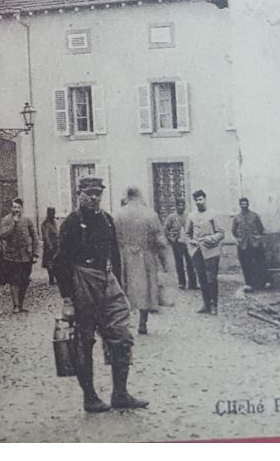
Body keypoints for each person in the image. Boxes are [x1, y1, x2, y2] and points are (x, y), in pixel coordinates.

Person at [53, 176, 149, 413]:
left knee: (122, 335)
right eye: (90, 193)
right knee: (84, 341)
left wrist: (118, 285)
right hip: (82, 282)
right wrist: (67, 298)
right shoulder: (71, 224)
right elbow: (58, 264)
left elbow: (114, 255)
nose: (94, 197)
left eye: (98, 193)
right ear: (80, 195)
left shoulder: (107, 220)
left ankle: (120, 393)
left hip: (107, 280)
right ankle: (90, 397)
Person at [115, 187, 172, 335]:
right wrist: (165, 262)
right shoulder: (150, 214)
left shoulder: (118, 214)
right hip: (146, 257)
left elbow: (113, 240)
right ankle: (142, 323)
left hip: (124, 257)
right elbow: (160, 241)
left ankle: (124, 323)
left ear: (127, 196)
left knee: (125, 289)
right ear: (140, 196)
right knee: (145, 290)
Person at [185, 189, 226, 315]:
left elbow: (221, 233)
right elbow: (187, 233)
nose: (199, 202)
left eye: (201, 199)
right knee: (202, 279)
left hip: (211, 251)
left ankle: (214, 305)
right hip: (197, 252)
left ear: (205, 199)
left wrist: (209, 238)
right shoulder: (191, 216)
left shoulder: (213, 214)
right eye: (196, 200)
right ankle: (206, 304)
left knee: (211, 279)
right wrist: (190, 245)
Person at [0, 197, 39, 313]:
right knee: (14, 280)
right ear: (11, 208)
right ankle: (16, 305)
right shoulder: (6, 220)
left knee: (24, 280)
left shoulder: (27, 220)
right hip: (12, 256)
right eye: (14, 207)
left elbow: (35, 237)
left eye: (18, 207)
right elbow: (3, 235)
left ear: (21, 208)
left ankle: (20, 304)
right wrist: (13, 224)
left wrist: (35, 254)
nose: (16, 209)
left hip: (26, 256)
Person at [232, 197, 272, 291]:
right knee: (245, 264)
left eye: (245, 204)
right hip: (243, 245)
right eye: (242, 204)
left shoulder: (254, 216)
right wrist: (239, 239)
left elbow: (261, 229)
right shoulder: (237, 218)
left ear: (248, 204)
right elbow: (234, 231)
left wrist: (257, 238)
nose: (244, 206)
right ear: (240, 205)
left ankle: (266, 282)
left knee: (261, 262)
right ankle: (248, 284)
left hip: (255, 243)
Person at [163, 197, 198, 291]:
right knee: (179, 264)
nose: (181, 207)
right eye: (179, 205)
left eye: (183, 205)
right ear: (176, 206)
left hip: (187, 243)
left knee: (190, 263)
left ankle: (193, 283)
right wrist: (172, 240)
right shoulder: (171, 217)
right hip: (177, 243)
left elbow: (193, 228)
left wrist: (191, 239)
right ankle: (181, 283)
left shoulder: (188, 216)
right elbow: (165, 230)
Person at [41, 206, 61, 287]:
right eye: (51, 213)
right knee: (50, 263)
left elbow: (58, 233)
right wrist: (50, 246)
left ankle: (56, 278)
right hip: (49, 247)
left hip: (56, 245)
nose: (53, 215)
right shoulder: (45, 224)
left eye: (53, 213)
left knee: (56, 262)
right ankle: (51, 279)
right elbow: (45, 236)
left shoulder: (55, 222)